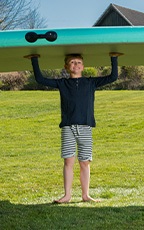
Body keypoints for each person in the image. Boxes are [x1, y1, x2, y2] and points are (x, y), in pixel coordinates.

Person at [24, 52, 123, 203]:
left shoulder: (91, 83)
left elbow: (113, 77)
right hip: (68, 128)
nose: (75, 65)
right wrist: (34, 60)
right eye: (72, 63)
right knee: (68, 162)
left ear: (83, 66)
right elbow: (40, 79)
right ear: (66, 67)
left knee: (84, 162)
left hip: (85, 127)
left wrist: (114, 59)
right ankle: (67, 196)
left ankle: (85, 195)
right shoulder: (62, 83)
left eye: (78, 62)